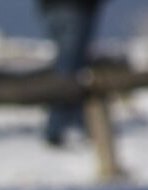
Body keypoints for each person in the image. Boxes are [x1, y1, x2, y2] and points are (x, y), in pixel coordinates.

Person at [37, 0, 107, 146]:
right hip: (76, 8)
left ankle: (76, 122)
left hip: (53, 7)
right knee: (70, 70)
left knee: (69, 66)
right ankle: (59, 127)